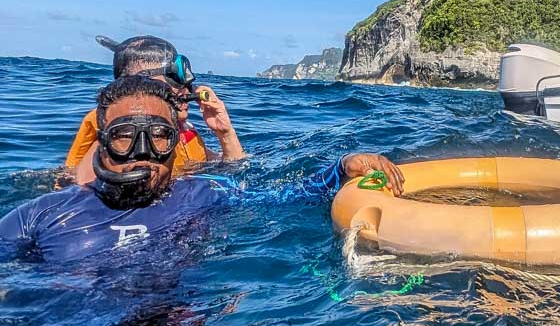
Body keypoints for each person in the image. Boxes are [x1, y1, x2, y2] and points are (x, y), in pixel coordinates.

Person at [1, 76, 403, 264]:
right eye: (125, 136)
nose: (142, 153)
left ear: (174, 142)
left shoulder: (203, 194)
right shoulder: (41, 213)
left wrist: (343, 167)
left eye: (158, 136)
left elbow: (289, 196)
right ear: (102, 138)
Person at [65, 35, 244, 180]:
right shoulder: (119, 131)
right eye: (175, 79)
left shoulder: (179, 131)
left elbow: (232, 168)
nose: (188, 88)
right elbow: (85, 192)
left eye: (187, 82)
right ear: (141, 82)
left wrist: (225, 133)